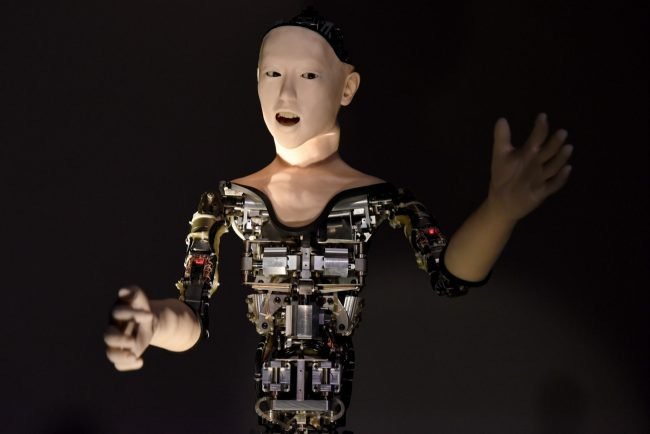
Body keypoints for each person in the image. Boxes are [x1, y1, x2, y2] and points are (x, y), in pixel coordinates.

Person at [104, 7, 572, 433]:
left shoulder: (380, 200)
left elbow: (449, 275)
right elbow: (192, 314)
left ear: (347, 87)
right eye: (272, 73)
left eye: (308, 74)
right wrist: (153, 324)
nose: (286, 92)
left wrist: (499, 211)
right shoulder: (225, 203)